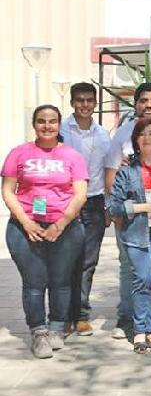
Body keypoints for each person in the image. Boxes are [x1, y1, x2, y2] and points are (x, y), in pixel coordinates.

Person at [1, 105, 88, 358]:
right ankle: (38, 331)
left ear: (59, 125)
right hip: (24, 228)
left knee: (61, 281)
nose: (47, 126)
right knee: (34, 282)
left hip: (65, 228)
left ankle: (57, 328)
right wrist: (27, 223)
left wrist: (60, 224)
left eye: (52, 121)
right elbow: (8, 190)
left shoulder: (72, 156)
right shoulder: (19, 153)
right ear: (34, 124)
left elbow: (80, 193)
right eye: (41, 121)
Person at [105, 83, 151, 340]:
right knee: (131, 270)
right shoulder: (122, 133)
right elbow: (111, 174)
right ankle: (127, 318)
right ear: (135, 104)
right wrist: (119, 213)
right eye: (143, 100)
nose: (148, 105)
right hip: (132, 219)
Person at [60, 82, 111, 338]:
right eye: (80, 100)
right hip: (65, 203)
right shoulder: (60, 131)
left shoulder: (103, 135)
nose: (85, 105)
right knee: (65, 261)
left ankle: (80, 315)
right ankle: (63, 316)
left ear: (95, 103)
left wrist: (108, 206)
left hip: (94, 203)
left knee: (88, 262)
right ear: (72, 103)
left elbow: (107, 172)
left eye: (90, 100)